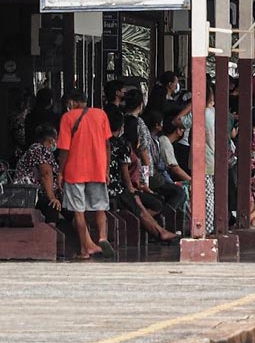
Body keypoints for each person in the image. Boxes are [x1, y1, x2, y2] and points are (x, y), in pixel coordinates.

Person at [105, 107, 180, 244]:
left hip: (108, 187)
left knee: (139, 204)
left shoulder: (103, 142)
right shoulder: (121, 144)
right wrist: (131, 189)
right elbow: (124, 171)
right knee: (139, 207)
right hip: (117, 189)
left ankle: (159, 231)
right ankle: (158, 231)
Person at [56, 90, 113, 260]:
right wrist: (107, 169)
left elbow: (65, 149)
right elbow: (107, 144)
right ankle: (102, 237)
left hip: (75, 171)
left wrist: (60, 172)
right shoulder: (101, 114)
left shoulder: (67, 118)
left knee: (78, 212)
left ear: (71, 103)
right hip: (98, 168)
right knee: (100, 207)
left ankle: (84, 250)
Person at [14, 125, 61, 225]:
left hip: (41, 192)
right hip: (30, 194)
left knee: (69, 208)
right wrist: (52, 198)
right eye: (56, 139)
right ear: (51, 139)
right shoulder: (39, 149)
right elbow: (46, 174)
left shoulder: (46, 152)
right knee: (52, 205)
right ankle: (49, 234)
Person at [141, 109, 187, 211]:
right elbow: (155, 163)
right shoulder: (153, 141)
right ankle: (165, 214)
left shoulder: (156, 140)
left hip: (158, 176)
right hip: (154, 177)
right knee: (179, 193)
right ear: (157, 125)